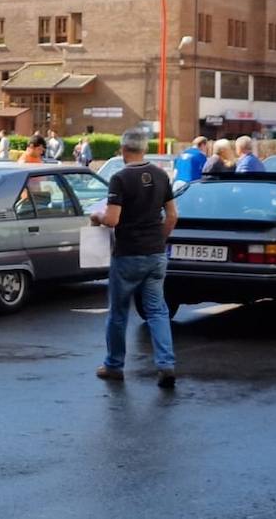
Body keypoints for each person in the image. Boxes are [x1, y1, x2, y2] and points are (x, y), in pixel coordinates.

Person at [90, 130, 177, 388]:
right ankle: (166, 364)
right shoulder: (162, 175)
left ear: (122, 149)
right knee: (157, 311)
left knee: (118, 313)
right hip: (156, 254)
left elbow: (113, 219)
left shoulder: (120, 178)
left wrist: (97, 217)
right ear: (144, 148)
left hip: (128, 254)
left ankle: (114, 365)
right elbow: (172, 215)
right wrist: (159, 240)